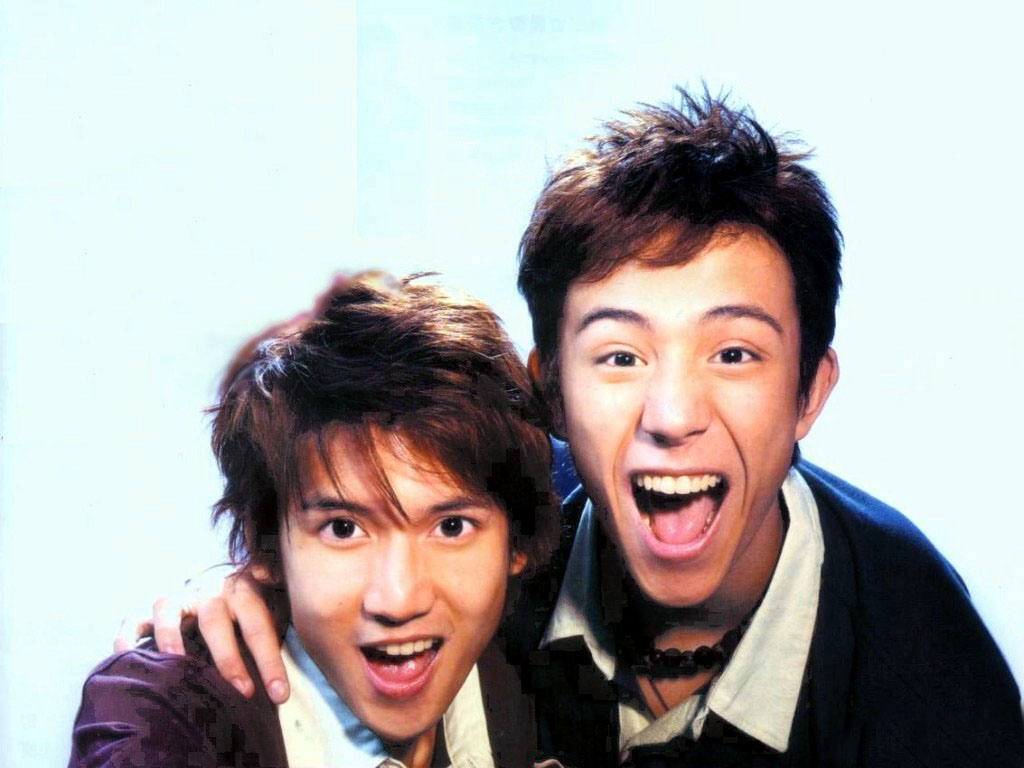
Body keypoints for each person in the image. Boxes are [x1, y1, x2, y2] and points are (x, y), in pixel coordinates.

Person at [134, 90, 1024, 766]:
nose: (673, 416)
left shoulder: (931, 678)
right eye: (620, 356)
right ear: (549, 394)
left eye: (734, 354)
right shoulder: (493, 517)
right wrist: (248, 591)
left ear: (809, 395)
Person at [69, 272, 561, 768]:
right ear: (266, 548)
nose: (398, 600)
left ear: (516, 544)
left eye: (451, 527)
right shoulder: (161, 714)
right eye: (343, 529)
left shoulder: (539, 669)